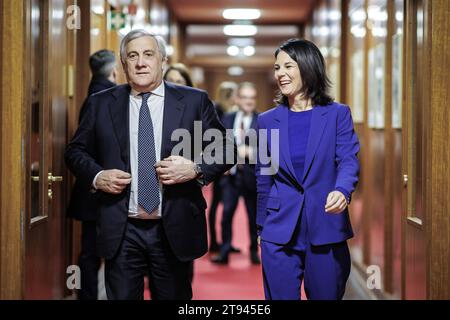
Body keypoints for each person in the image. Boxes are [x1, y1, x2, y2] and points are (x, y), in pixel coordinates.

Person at [65, 29, 235, 300]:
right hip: (121, 228)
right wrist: (98, 175)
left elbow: (227, 148)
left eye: (148, 54)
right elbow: (75, 151)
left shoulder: (193, 100)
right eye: (132, 56)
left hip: (172, 226)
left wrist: (195, 168)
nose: (140, 62)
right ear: (124, 65)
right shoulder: (101, 104)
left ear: (162, 61)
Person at [256, 39, 360, 300]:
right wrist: (261, 229)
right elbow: (264, 177)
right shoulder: (267, 121)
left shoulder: (337, 114)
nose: (280, 73)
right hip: (279, 232)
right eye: (277, 67)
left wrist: (342, 189)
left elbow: (348, 159)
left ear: (308, 66)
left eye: (288, 66)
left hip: (325, 228)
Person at [66, 49, 117, 300]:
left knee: (94, 250)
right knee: (91, 252)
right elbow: (80, 148)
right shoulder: (101, 97)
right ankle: (87, 295)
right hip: (97, 189)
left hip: (97, 189)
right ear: (115, 71)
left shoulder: (94, 91)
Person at [211, 82, 260, 265]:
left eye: (252, 98)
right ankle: (224, 250)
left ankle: (254, 251)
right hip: (230, 176)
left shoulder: (262, 120)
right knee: (226, 216)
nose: (249, 102)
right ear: (238, 99)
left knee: (252, 217)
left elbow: (270, 151)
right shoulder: (227, 118)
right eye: (245, 97)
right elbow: (218, 144)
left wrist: (251, 153)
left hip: (251, 176)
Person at [207, 81, 238, 252]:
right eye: (235, 94)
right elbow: (215, 139)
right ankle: (214, 242)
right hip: (220, 165)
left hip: (226, 163)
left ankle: (225, 241)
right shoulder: (217, 109)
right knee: (216, 205)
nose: (237, 97)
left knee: (224, 205)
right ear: (229, 94)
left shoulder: (230, 110)